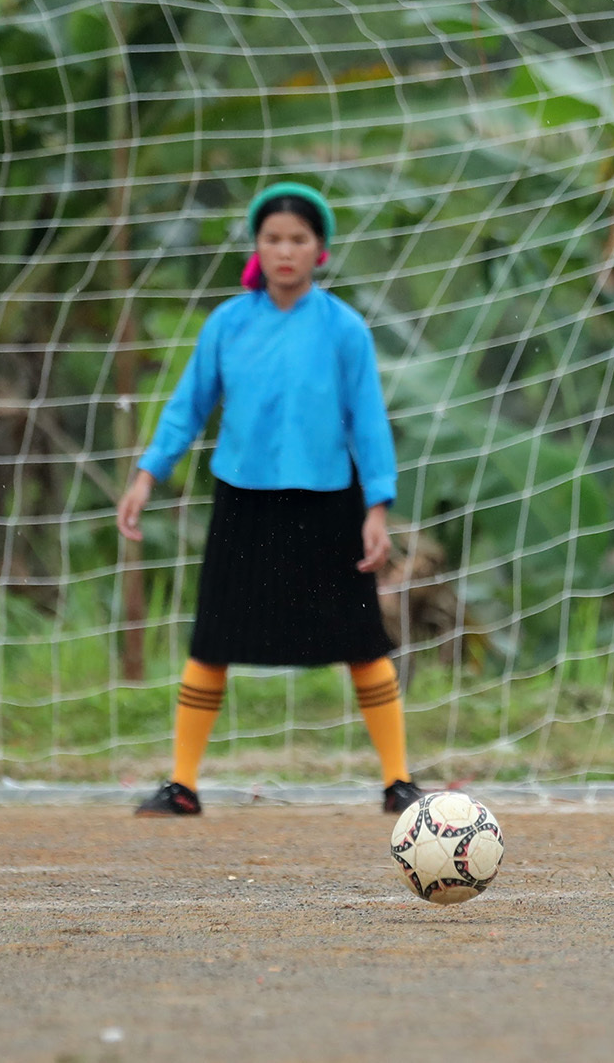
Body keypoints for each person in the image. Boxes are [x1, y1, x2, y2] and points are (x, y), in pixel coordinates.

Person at [118, 184, 421, 818]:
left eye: (299, 240)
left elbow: (368, 422)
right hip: (244, 505)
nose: (286, 251)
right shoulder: (228, 323)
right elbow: (186, 407)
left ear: (321, 252)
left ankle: (398, 781)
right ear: (258, 246)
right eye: (274, 239)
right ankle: (183, 785)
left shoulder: (345, 329)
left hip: (329, 506)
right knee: (212, 643)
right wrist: (148, 475)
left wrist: (377, 509)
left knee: (363, 643)